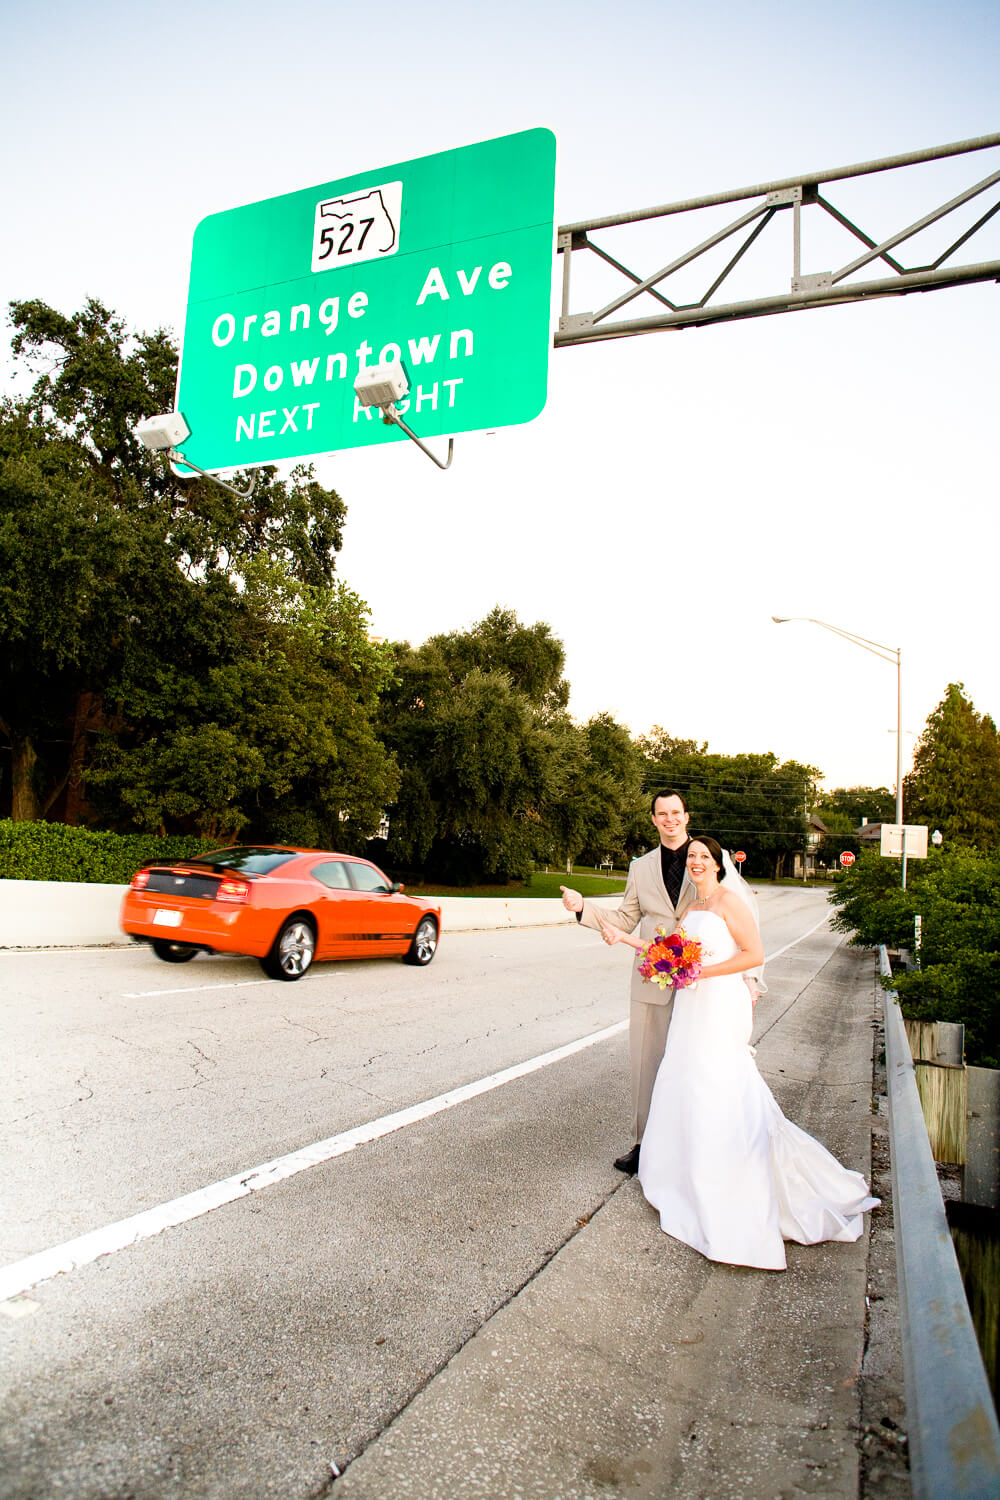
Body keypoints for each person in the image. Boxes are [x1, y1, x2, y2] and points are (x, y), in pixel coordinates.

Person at [600, 837, 879, 1271]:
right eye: (691, 857)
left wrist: (702, 971)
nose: (695, 863)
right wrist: (623, 939)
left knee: (717, 1081)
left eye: (703, 858)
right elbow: (667, 952)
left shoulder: (731, 902)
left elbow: (754, 954)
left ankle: (728, 1175)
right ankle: (684, 1173)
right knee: (686, 1079)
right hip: (692, 1006)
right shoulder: (691, 910)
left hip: (720, 1005)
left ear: (717, 865)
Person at [560, 790, 760, 1176]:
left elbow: (742, 931)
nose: (669, 819)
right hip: (652, 977)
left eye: (676, 812)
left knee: (696, 1065)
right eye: (661, 813)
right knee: (647, 1064)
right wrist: (583, 907)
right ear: (653, 819)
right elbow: (623, 919)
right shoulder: (640, 868)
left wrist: (749, 979)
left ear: (686, 816)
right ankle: (643, 1144)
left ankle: (693, 1145)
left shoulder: (705, 859)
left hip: (701, 988)